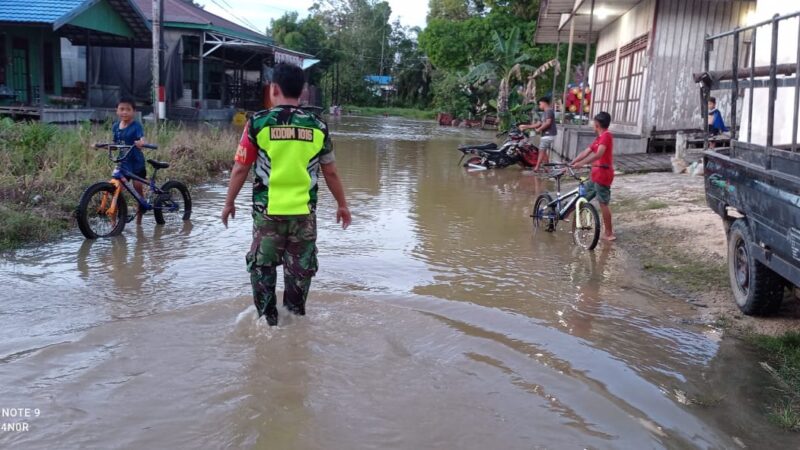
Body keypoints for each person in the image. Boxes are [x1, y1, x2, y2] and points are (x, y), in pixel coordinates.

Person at [221, 63, 352, 327]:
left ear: (273, 89)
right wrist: (342, 205)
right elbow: (331, 173)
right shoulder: (318, 127)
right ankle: (293, 325)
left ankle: (267, 324)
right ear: (303, 92)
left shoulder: (258, 123)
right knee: (300, 274)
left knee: (262, 269)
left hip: (268, 214)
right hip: (304, 216)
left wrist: (229, 202)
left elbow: (240, 168)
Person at [571, 111, 616, 241]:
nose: (592, 125)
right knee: (582, 197)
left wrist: (581, 163)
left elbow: (599, 154)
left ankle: (609, 233)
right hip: (595, 175)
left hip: (603, 175)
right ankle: (568, 218)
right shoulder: (599, 138)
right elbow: (587, 151)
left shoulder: (606, 136)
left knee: (603, 203)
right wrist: (573, 162)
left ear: (597, 124)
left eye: (593, 123)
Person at [112, 97, 147, 225]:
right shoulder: (116, 126)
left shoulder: (136, 125)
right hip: (123, 163)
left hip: (136, 163)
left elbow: (142, 139)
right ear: (117, 111)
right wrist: (102, 146)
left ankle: (139, 222)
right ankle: (113, 223)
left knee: (138, 190)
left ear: (134, 111)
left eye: (128, 109)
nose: (124, 112)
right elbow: (115, 143)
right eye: (121, 109)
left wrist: (141, 143)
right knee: (116, 191)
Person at [520, 96, 556, 171]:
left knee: (541, 150)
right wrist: (526, 126)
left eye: (540, 104)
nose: (539, 106)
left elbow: (548, 123)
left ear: (544, 103)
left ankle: (537, 167)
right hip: (546, 135)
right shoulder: (544, 113)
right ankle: (547, 168)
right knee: (544, 151)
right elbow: (538, 124)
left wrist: (539, 129)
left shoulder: (549, 111)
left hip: (548, 135)